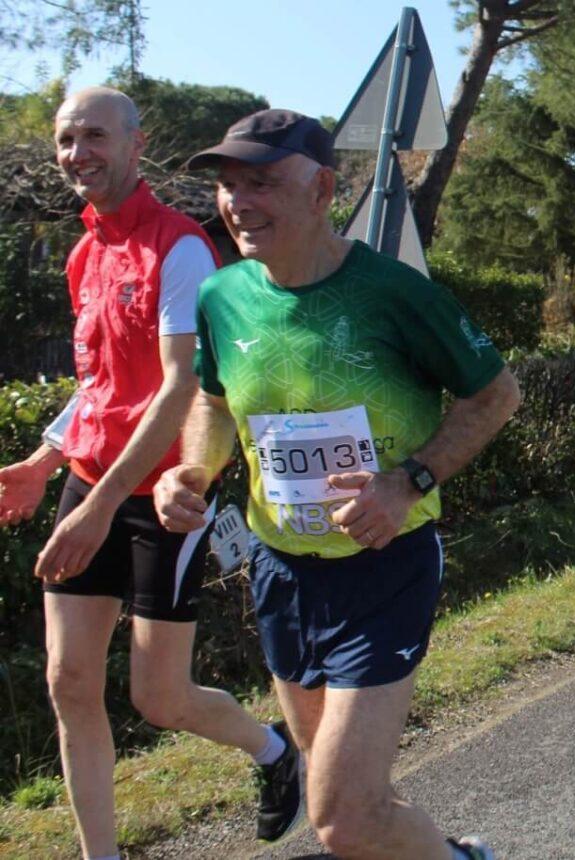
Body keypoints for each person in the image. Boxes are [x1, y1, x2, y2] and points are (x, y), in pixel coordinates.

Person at [154, 109, 520, 860]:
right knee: (349, 804)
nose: (238, 201)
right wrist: (192, 469)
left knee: (343, 817)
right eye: (228, 185)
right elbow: (214, 402)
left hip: (384, 570)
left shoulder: (393, 293)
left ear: (322, 190)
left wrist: (408, 481)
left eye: (262, 182)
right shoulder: (222, 298)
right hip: (281, 570)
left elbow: (496, 395)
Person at [0, 88, 303, 859]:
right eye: (67, 139)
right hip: (91, 485)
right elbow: (101, 384)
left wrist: (100, 507)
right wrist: (44, 461)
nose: (77, 154)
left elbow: (178, 389)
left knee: (159, 698)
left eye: (94, 136)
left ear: (138, 147)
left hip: (164, 496)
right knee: (69, 683)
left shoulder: (182, 248)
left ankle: (274, 751)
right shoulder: (82, 252)